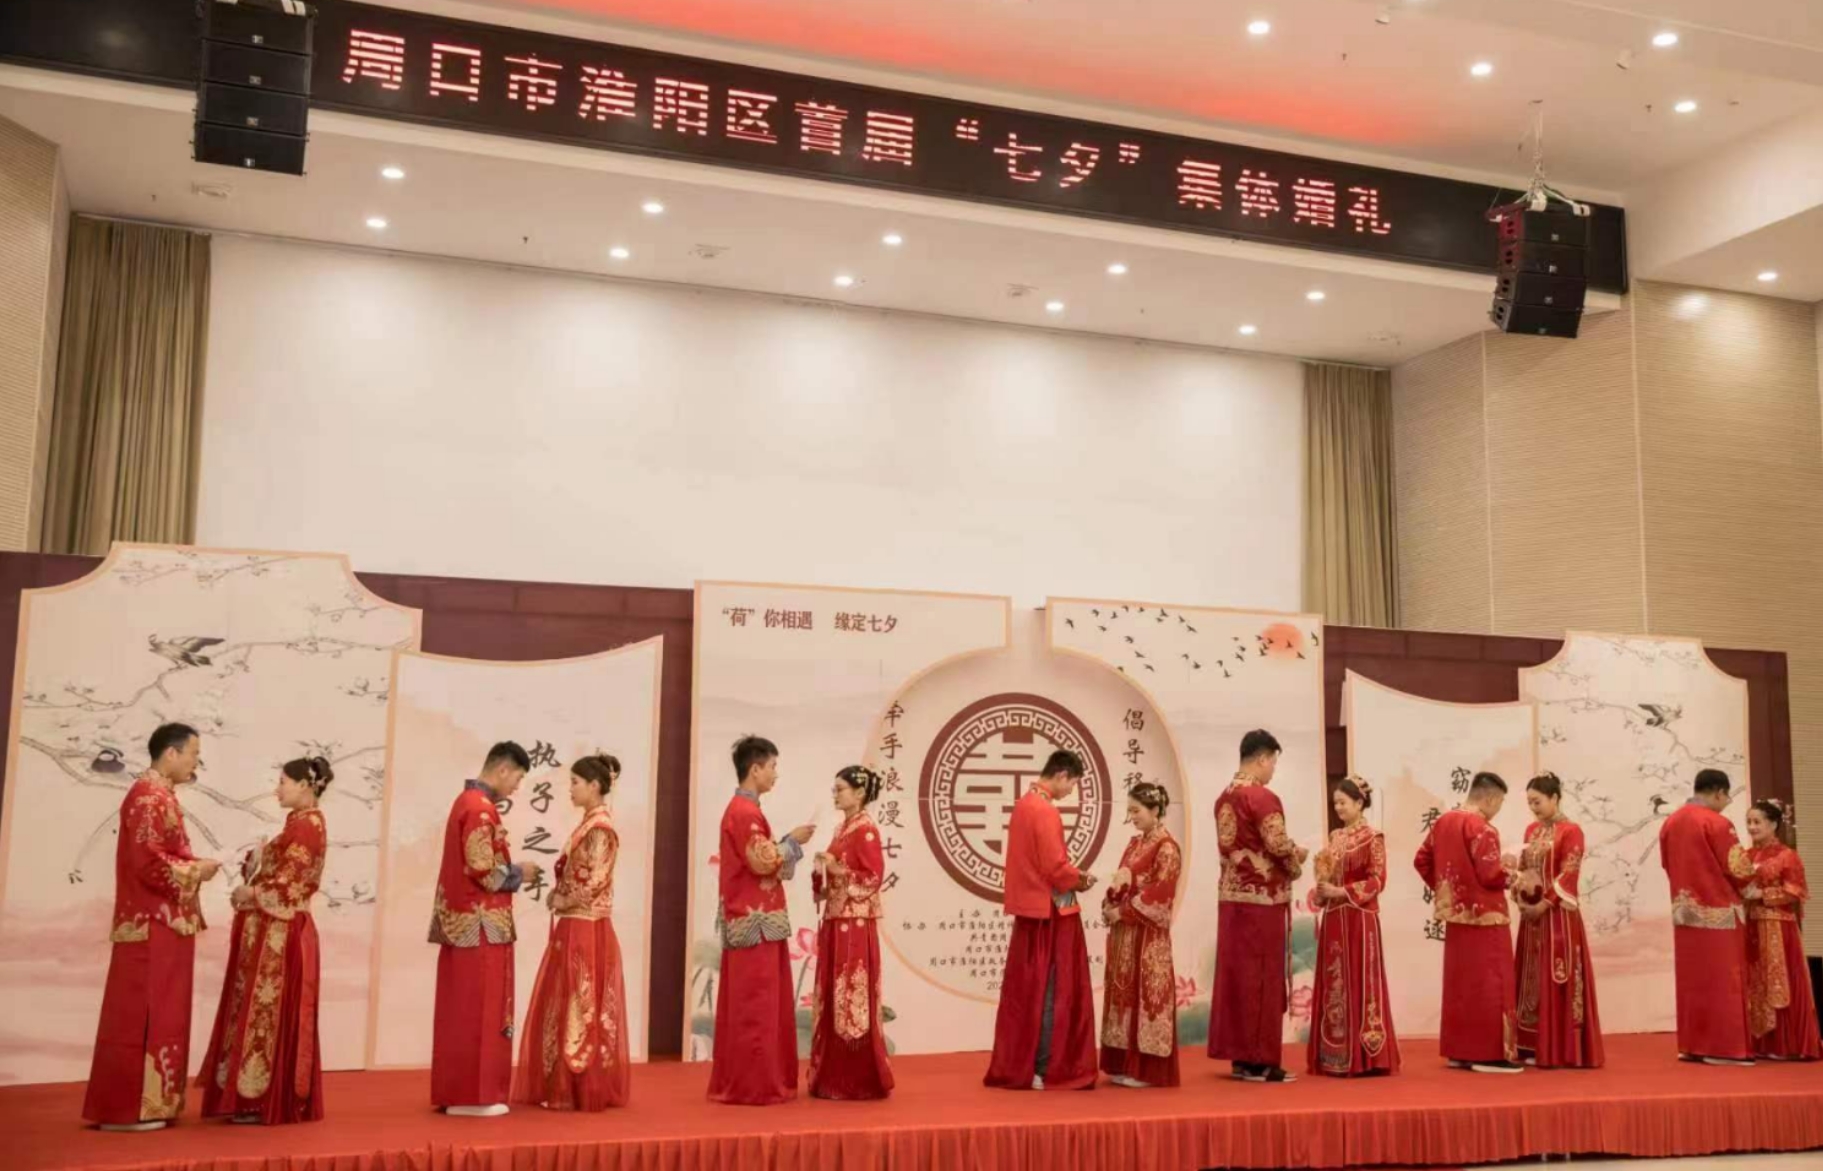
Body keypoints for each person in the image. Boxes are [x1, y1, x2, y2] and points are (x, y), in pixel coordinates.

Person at [83, 722, 222, 1130]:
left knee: (157, 1010)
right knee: (144, 1011)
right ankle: (131, 1108)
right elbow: (147, 860)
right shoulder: (149, 796)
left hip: (160, 921)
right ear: (171, 753)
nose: (196, 762)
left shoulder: (157, 795)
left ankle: (148, 1104)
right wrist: (196, 869)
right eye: (194, 754)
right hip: (152, 921)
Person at [199, 756, 333, 1124]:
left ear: (304, 785)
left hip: (281, 932)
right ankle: (252, 1098)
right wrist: (256, 862)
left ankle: (258, 1099)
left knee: (266, 1014)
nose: (277, 790)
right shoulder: (299, 824)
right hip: (275, 929)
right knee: (259, 1011)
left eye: (283, 782)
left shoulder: (307, 826)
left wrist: (252, 893)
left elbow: (291, 883)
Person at [430, 742, 544, 1116]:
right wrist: (519, 872)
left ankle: (456, 1091)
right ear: (503, 770)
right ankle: (474, 1097)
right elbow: (483, 870)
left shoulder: (466, 803)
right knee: (481, 1009)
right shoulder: (480, 809)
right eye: (518, 779)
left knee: (460, 1009)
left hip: (466, 922)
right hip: (480, 924)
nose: (516, 787)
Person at [513, 754, 632, 1110]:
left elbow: (596, 879)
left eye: (576, 783)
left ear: (594, 786)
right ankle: (565, 1084)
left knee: (580, 1001)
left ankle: (577, 1085)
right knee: (570, 1000)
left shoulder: (601, 828)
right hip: (577, 922)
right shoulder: (590, 824)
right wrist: (560, 897)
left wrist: (564, 899)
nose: (571, 789)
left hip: (586, 925)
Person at [708, 736, 816, 1105]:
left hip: (754, 919)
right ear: (755, 769)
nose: (775, 774)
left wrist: (785, 844)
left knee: (756, 1003)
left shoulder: (744, 810)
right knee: (758, 1005)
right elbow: (762, 861)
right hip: (754, 922)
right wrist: (793, 841)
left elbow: (763, 857)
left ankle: (752, 1080)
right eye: (772, 766)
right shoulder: (744, 812)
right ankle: (755, 1084)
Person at [985, 749, 1100, 1091]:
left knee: (1026, 992)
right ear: (1061, 775)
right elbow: (1055, 868)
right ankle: (1043, 1067)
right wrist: (1081, 879)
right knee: (1053, 991)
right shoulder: (1046, 811)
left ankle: (1022, 1064)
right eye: (1072, 784)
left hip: (1028, 911)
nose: (1071, 791)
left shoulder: (1024, 805)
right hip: (1050, 913)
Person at [1209, 729, 1307, 1083]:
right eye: (1273, 763)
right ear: (1262, 758)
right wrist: (1297, 860)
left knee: (1237, 978)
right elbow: (1277, 844)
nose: (1273, 770)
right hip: (1262, 902)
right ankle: (1260, 1061)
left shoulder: (1223, 798)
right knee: (1261, 979)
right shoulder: (1262, 798)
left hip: (1231, 900)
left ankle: (1240, 1058)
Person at [1414, 771, 1521, 1074]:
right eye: (1499, 802)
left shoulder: (1444, 822)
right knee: (1492, 985)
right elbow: (1490, 875)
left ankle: (1459, 1052)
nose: (1497, 808)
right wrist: (1512, 873)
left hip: (1457, 918)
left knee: (1460, 986)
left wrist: (1448, 892)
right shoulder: (1482, 828)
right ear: (1490, 798)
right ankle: (1489, 1054)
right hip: (1487, 918)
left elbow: (1421, 860)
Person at [807, 765, 894, 1100]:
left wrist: (836, 869)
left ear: (859, 793)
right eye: (835, 788)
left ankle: (855, 1078)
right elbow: (841, 873)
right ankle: (833, 1075)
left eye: (840, 789)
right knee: (835, 992)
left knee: (851, 993)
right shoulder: (843, 828)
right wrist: (824, 868)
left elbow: (872, 878)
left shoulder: (865, 830)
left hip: (854, 923)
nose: (835, 794)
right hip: (838, 920)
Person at [1659, 768, 1755, 1065]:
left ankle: (1693, 1045)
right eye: (1726, 797)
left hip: (1685, 910)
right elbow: (1738, 868)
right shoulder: (1717, 822)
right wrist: (1752, 888)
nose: (1726, 803)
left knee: (1693, 982)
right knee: (1725, 981)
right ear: (1718, 792)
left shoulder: (1671, 822)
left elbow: (1667, 864)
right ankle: (1724, 1048)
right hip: (1719, 913)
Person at [1512, 773, 1604, 1069]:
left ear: (1554, 798)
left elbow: (1569, 873)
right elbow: (1524, 868)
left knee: (1557, 973)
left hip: (1558, 917)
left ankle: (1559, 1048)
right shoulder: (1531, 831)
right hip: (1532, 917)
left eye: (1538, 802)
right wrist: (1520, 894)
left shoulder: (1571, 831)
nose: (1533, 808)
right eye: (1530, 803)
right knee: (1531, 976)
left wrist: (1544, 903)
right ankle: (1529, 1043)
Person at [1308, 776, 1398, 1077]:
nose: (1338, 808)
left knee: (1361, 980)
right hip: (1334, 918)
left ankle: (1366, 1057)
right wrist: (1322, 892)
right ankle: (1334, 1053)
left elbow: (1378, 880)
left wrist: (1342, 891)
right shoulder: (1335, 837)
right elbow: (1328, 877)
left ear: (1360, 803)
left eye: (1343, 802)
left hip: (1360, 918)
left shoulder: (1373, 837)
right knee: (1336, 982)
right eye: (1335, 803)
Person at [1099, 782, 1182, 1088]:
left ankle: (1146, 1070)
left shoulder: (1167, 847)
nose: (1132, 817)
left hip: (1148, 935)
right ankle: (1124, 1064)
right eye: (1130, 811)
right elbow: (1120, 880)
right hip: (1126, 933)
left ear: (1155, 810)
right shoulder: (1135, 844)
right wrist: (1110, 903)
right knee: (1124, 994)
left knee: (1147, 996)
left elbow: (1162, 892)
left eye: (1136, 811)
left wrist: (1123, 911)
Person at [1744, 798, 1820, 1061]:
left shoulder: (1787, 856)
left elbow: (1796, 891)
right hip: (1752, 926)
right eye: (1749, 822)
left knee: (1780, 982)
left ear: (1773, 824)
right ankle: (1761, 1043)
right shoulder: (1747, 856)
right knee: (1756, 982)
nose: (1752, 827)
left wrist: (1763, 894)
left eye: (1757, 822)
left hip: (1779, 927)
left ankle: (1789, 1045)